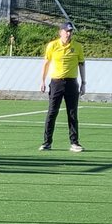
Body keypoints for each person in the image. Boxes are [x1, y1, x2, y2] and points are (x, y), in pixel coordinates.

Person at [39, 21, 87, 152]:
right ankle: (47, 142)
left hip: (72, 83)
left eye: (70, 31)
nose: (69, 33)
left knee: (72, 113)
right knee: (52, 112)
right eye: (67, 31)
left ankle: (74, 143)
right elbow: (46, 63)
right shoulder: (52, 45)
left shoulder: (77, 46)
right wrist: (42, 81)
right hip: (56, 83)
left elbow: (81, 64)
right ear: (60, 32)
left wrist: (83, 83)